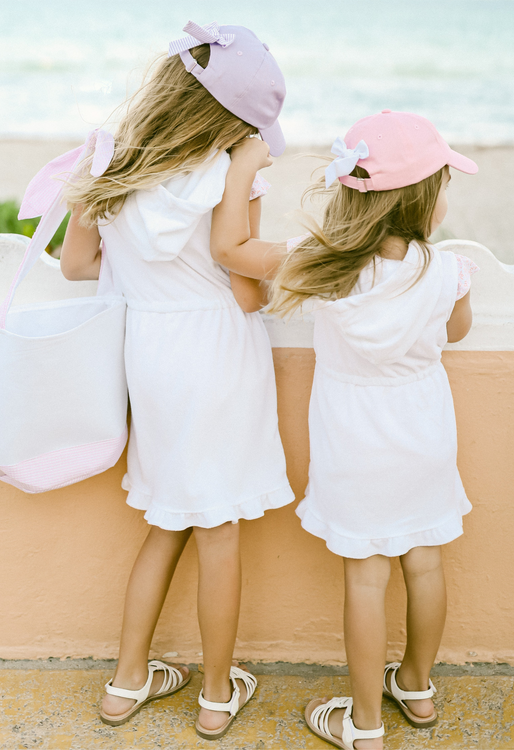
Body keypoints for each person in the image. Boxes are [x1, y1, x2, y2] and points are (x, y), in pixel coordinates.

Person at [209, 110, 479, 750]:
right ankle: (415, 686)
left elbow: (232, 253)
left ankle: (364, 724)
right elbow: (457, 333)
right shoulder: (448, 273)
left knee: (367, 577)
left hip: (353, 443)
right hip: (424, 436)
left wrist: (242, 171)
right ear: (423, 200)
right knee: (425, 563)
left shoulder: (323, 268)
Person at [58, 21, 294, 741]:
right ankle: (218, 695)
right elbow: (248, 291)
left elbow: (76, 267)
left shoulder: (114, 163)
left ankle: (127, 682)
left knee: (165, 522)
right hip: (218, 355)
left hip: (152, 355)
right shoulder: (236, 168)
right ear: (235, 120)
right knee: (218, 533)